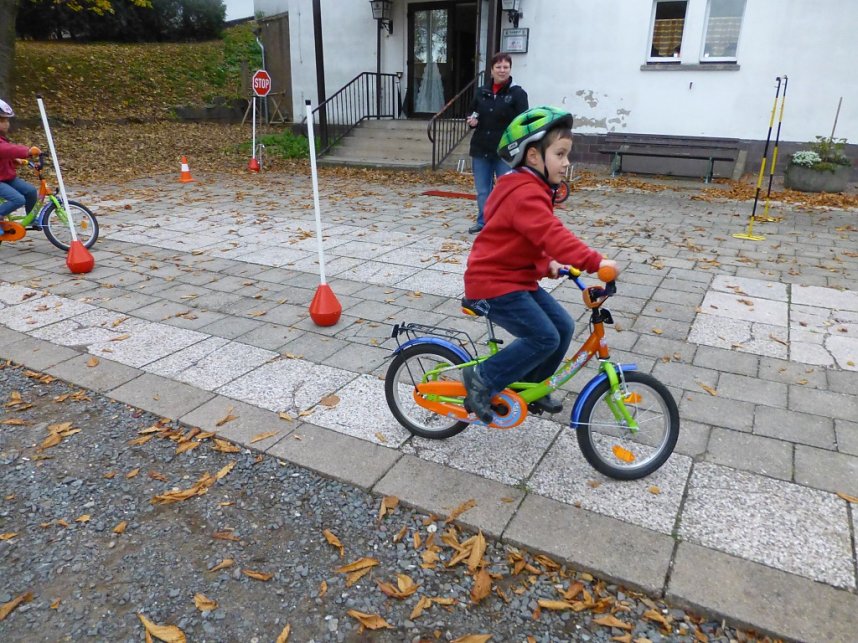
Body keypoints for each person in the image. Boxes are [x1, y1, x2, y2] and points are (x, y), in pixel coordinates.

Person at [461, 106, 618, 423]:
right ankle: (481, 379)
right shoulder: (525, 193)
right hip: (493, 285)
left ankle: (533, 385)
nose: (567, 162)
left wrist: (547, 265)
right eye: (560, 154)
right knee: (544, 336)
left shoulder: (529, 188)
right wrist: (595, 262)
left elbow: (527, 237)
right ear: (533, 157)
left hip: (515, 280)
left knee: (563, 326)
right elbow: (551, 234)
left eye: (567, 154)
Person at [466, 52, 528, 234]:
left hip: (505, 151)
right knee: (483, 191)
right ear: (491, 70)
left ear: (510, 69)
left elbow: (523, 123)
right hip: (481, 148)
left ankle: (506, 223)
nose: (502, 71)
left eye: (505, 67)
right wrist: (471, 122)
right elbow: (472, 113)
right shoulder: (481, 92)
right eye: (498, 67)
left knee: (506, 190)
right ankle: (484, 222)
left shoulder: (518, 93)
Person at [0, 99, 39, 228]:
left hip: (6, 177)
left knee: (31, 191)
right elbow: (6, 149)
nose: (6, 124)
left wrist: (14, 160)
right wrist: (27, 151)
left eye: (7, 120)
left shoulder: (2, 137)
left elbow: (4, 153)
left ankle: (31, 219)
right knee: (18, 199)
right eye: (2, 121)